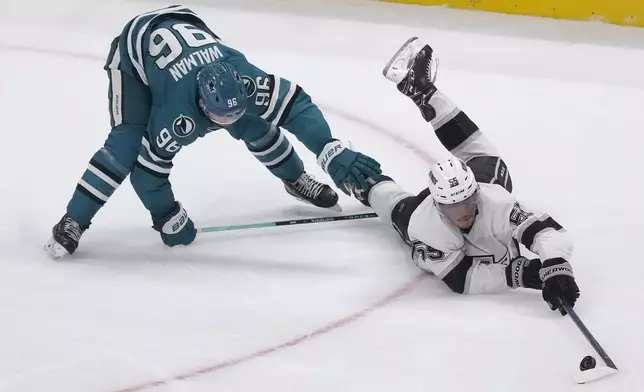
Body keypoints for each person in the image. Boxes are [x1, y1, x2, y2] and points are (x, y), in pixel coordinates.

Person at [44, 5, 381, 259]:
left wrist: (329, 148)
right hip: (134, 56)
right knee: (125, 146)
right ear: (202, 107)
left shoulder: (245, 79)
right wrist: (166, 215)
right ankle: (73, 220)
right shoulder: (177, 117)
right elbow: (146, 174)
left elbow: (297, 105)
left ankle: (295, 178)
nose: (225, 122)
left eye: (230, 112)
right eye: (219, 117)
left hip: (185, 27)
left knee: (253, 123)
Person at [353, 37, 580, 315]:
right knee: (393, 206)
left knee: (483, 154)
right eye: (452, 206)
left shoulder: (496, 202)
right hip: (422, 216)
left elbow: (546, 232)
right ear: (437, 205)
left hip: (479, 186)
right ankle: (362, 182)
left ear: (476, 192)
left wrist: (557, 266)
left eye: (466, 201)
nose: (462, 211)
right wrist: (522, 273)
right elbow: (461, 278)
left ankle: (424, 93)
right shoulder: (424, 225)